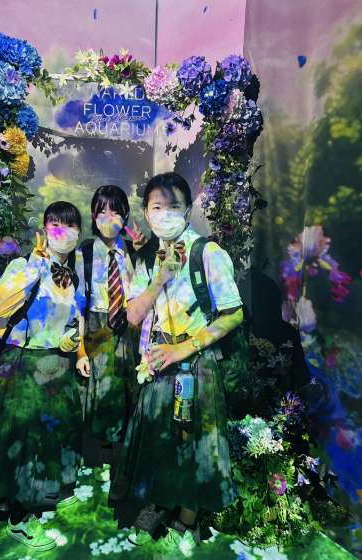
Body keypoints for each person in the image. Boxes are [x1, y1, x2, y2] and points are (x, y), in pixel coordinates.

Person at [115, 172, 245, 553]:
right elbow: (133, 315)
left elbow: (233, 313)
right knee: (160, 438)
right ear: (146, 212)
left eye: (173, 206)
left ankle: (187, 519)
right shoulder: (146, 259)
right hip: (157, 363)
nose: (165, 214)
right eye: (157, 207)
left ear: (188, 210)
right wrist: (159, 278)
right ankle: (159, 505)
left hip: (195, 365)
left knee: (194, 442)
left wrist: (184, 348)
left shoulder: (208, 253)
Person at [0, 201, 90, 552]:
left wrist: (73, 344)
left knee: (48, 438)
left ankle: (42, 500)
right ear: (44, 228)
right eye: (55, 224)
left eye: (70, 226)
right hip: (23, 364)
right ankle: (19, 520)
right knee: (22, 441)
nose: (62, 232)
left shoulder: (72, 277)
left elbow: (73, 322)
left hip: (55, 365)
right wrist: (35, 267)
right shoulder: (23, 265)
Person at [78, 185, 144, 472]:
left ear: (125, 215)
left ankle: (125, 460)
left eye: (115, 211)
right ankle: (101, 461)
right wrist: (81, 349)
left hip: (130, 328)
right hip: (97, 327)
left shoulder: (134, 250)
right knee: (100, 393)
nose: (108, 217)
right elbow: (76, 303)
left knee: (130, 391)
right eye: (101, 211)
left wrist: (142, 253)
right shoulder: (84, 252)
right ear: (93, 216)